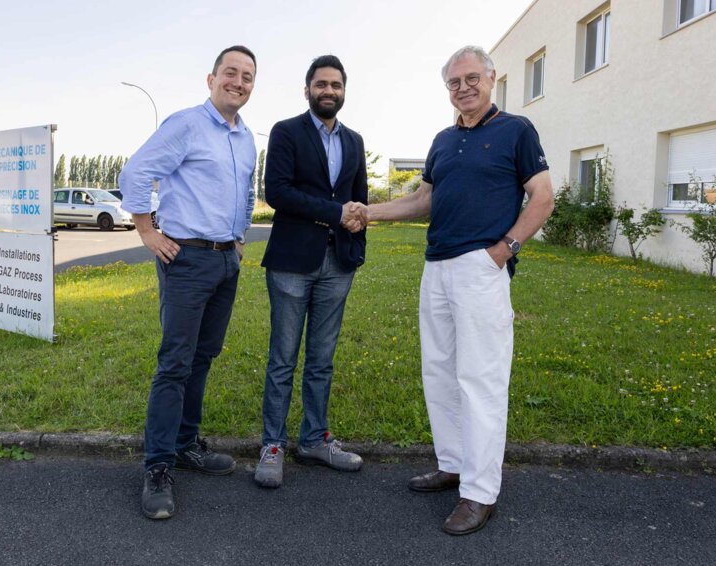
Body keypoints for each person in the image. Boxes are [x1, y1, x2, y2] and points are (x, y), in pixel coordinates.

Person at [368, 45, 554, 535]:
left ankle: (479, 492)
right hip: (437, 267)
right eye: (454, 82)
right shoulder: (443, 140)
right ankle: (452, 464)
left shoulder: (516, 130)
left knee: (481, 379)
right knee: (441, 373)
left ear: (491, 78)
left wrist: (504, 249)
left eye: (472, 78)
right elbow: (423, 198)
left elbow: (543, 196)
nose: (463, 88)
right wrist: (367, 211)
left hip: (480, 266)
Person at [118, 45, 257, 520]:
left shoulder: (245, 138)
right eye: (231, 73)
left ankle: (185, 443)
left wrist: (238, 239)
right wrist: (146, 230)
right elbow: (136, 171)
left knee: (203, 356)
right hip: (186, 259)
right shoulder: (186, 124)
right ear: (211, 78)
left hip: (224, 262)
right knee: (175, 362)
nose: (239, 82)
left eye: (248, 77)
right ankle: (158, 467)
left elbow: (247, 191)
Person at [254, 55, 368, 488]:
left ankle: (314, 440)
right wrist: (337, 213)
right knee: (283, 359)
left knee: (322, 360)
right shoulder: (286, 132)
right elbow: (278, 193)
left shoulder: (355, 141)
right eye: (321, 84)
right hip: (290, 263)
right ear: (307, 89)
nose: (329, 91)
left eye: (336, 85)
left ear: (343, 91)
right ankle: (273, 444)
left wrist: (355, 237)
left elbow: (358, 201)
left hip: (338, 264)